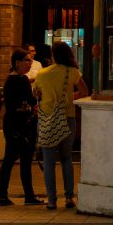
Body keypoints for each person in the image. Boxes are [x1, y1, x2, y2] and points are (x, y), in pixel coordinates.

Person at [34, 42, 89, 210]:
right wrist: (68, 97)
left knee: (49, 162)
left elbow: (37, 94)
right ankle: (69, 198)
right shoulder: (72, 72)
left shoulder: (42, 73)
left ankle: (52, 201)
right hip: (68, 119)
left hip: (48, 120)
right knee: (67, 159)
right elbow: (85, 92)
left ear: (53, 55)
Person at [0, 49, 42, 206]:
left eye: (30, 60)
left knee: (9, 160)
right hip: (22, 126)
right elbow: (31, 101)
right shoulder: (22, 80)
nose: (30, 63)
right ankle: (28, 196)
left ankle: (3, 196)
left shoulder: (10, 79)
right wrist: (36, 98)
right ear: (17, 62)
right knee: (23, 161)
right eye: (26, 60)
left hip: (10, 124)